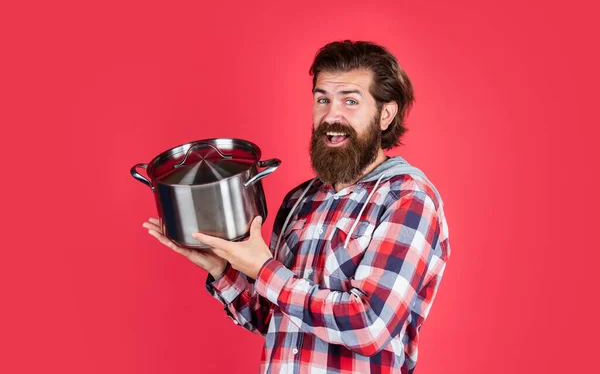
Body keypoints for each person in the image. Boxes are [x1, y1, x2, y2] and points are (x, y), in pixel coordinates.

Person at [143, 40, 451, 374]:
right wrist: (222, 267)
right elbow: (270, 317)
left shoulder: (408, 198)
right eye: (323, 99)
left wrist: (263, 269)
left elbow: (369, 326)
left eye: (350, 101)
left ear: (385, 114)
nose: (332, 115)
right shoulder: (301, 200)